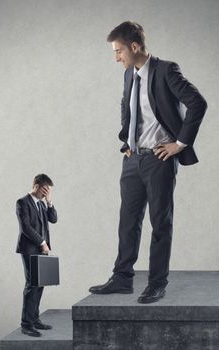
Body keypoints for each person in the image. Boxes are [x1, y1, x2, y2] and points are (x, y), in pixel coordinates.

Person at [89, 21, 207, 303]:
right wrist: (126, 142)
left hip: (159, 160)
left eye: (118, 51)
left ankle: (156, 283)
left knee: (160, 223)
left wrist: (179, 144)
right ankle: (122, 278)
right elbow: (126, 105)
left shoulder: (167, 70)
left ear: (134, 46)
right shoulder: (130, 74)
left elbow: (197, 103)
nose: (115, 57)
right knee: (127, 221)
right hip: (132, 161)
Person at [16, 174, 58, 336]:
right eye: (45, 189)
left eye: (48, 191)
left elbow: (53, 219)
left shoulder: (42, 204)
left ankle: (34, 319)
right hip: (30, 249)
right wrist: (42, 243)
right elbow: (25, 227)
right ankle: (26, 325)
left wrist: (49, 202)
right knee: (31, 285)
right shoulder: (22, 203)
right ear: (36, 186)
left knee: (40, 284)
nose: (46, 193)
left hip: (43, 250)